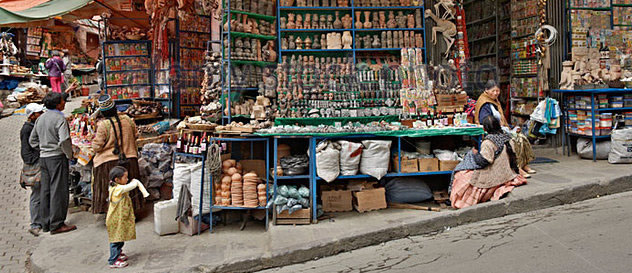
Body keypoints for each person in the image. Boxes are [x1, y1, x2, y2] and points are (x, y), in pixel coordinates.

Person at [450, 116, 528, 209]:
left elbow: (484, 161)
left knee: (461, 175)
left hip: (495, 175)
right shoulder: (508, 138)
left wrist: (474, 154)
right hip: (508, 172)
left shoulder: (488, 142)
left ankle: (457, 200)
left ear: (485, 128)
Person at [29, 92, 76, 234]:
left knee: (46, 190)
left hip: (44, 158)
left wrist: (43, 148)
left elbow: (33, 140)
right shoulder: (59, 119)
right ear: (57, 104)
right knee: (59, 190)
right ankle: (57, 224)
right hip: (56, 157)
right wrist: (69, 154)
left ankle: (46, 222)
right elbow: (64, 140)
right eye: (62, 101)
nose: (64, 103)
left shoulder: (40, 118)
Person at [91, 95, 145, 215]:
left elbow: (96, 147)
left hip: (109, 163)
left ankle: (112, 211)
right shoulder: (127, 120)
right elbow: (136, 135)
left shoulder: (103, 125)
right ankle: (132, 210)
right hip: (129, 158)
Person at [474, 80, 536, 178]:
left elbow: (502, 119)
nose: (496, 93)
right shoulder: (484, 103)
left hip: (500, 129)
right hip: (492, 131)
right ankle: (517, 167)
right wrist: (501, 129)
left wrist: (512, 127)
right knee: (515, 140)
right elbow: (487, 121)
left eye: (497, 91)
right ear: (486, 90)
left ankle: (524, 164)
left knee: (522, 137)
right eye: (493, 91)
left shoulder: (494, 101)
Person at [106, 166, 149, 268]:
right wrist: (136, 182)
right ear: (117, 180)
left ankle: (118, 254)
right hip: (115, 219)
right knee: (116, 240)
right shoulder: (117, 189)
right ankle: (113, 260)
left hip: (120, 218)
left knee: (120, 237)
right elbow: (131, 186)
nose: (127, 179)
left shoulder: (117, 187)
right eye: (125, 177)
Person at [20, 103, 45, 236]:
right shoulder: (27, 129)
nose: (41, 114)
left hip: (38, 161)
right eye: (38, 113)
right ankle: (35, 224)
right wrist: (36, 160)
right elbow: (26, 151)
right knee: (37, 194)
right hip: (35, 164)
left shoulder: (33, 126)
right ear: (32, 116)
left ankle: (42, 219)